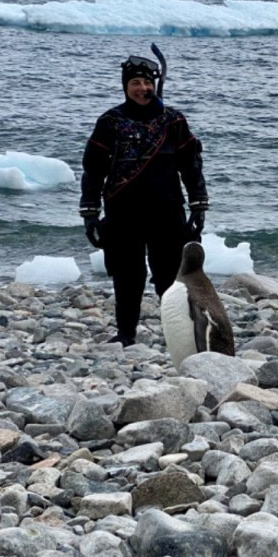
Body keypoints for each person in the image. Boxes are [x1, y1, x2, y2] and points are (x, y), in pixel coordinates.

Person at [79, 53, 210, 346]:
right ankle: (126, 334)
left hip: (167, 212)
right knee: (128, 277)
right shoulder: (110, 122)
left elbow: (191, 165)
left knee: (170, 278)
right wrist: (89, 212)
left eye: (147, 82)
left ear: (155, 84)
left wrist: (198, 203)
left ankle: (179, 336)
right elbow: (93, 168)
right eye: (135, 83)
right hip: (122, 213)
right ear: (125, 86)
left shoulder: (173, 120)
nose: (142, 88)